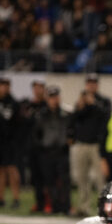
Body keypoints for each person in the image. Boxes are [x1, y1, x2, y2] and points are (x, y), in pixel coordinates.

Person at [68, 87, 107, 217]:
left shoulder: (100, 104)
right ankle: (84, 207)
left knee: (99, 178)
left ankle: (104, 208)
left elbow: (103, 115)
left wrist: (92, 104)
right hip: (81, 145)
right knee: (81, 178)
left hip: (95, 145)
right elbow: (73, 120)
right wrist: (80, 106)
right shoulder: (80, 108)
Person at [34, 85, 71, 215]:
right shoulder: (41, 115)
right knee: (50, 181)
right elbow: (36, 133)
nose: (54, 100)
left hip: (62, 151)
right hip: (47, 152)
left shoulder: (66, 113)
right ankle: (55, 206)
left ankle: (66, 207)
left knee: (64, 181)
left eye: (56, 97)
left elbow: (72, 130)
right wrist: (41, 144)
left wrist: (69, 140)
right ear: (47, 99)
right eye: (51, 97)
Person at [0, 76, 22, 209]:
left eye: (6, 85)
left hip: (9, 140)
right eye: (1, 85)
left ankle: (16, 198)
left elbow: (5, 120)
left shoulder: (12, 102)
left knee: (12, 169)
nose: (3, 88)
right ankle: (0, 197)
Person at [21, 80, 47, 213]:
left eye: (40, 88)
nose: (38, 90)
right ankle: (39, 203)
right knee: (36, 178)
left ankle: (49, 203)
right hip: (32, 147)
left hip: (46, 147)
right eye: (36, 88)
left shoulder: (47, 106)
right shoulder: (29, 106)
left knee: (47, 178)